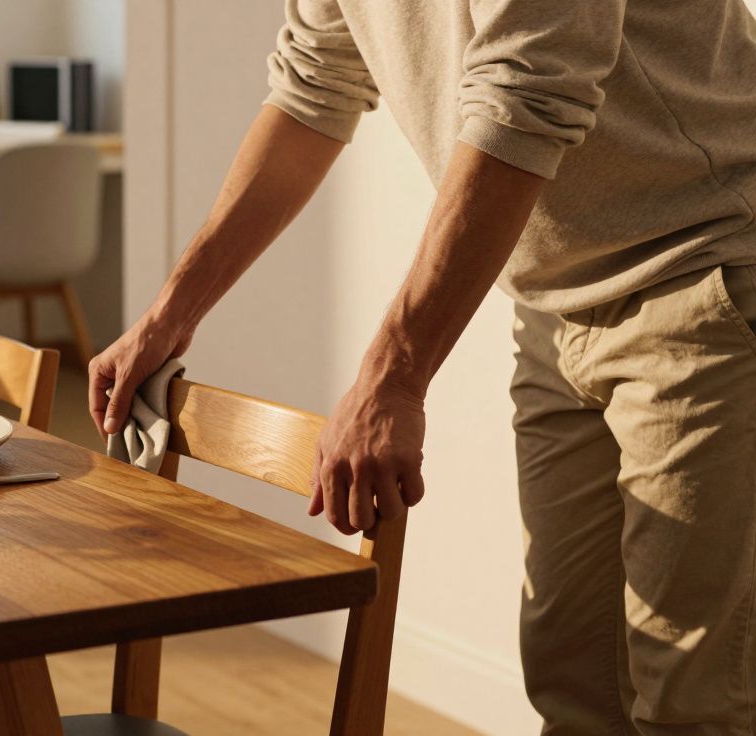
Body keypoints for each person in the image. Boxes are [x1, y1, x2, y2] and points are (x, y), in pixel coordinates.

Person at [88, 0, 756, 731]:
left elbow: (528, 92)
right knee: (574, 682)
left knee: (696, 703)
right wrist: (170, 314)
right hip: (557, 306)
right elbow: (313, 89)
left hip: (710, 274)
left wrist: (393, 376)